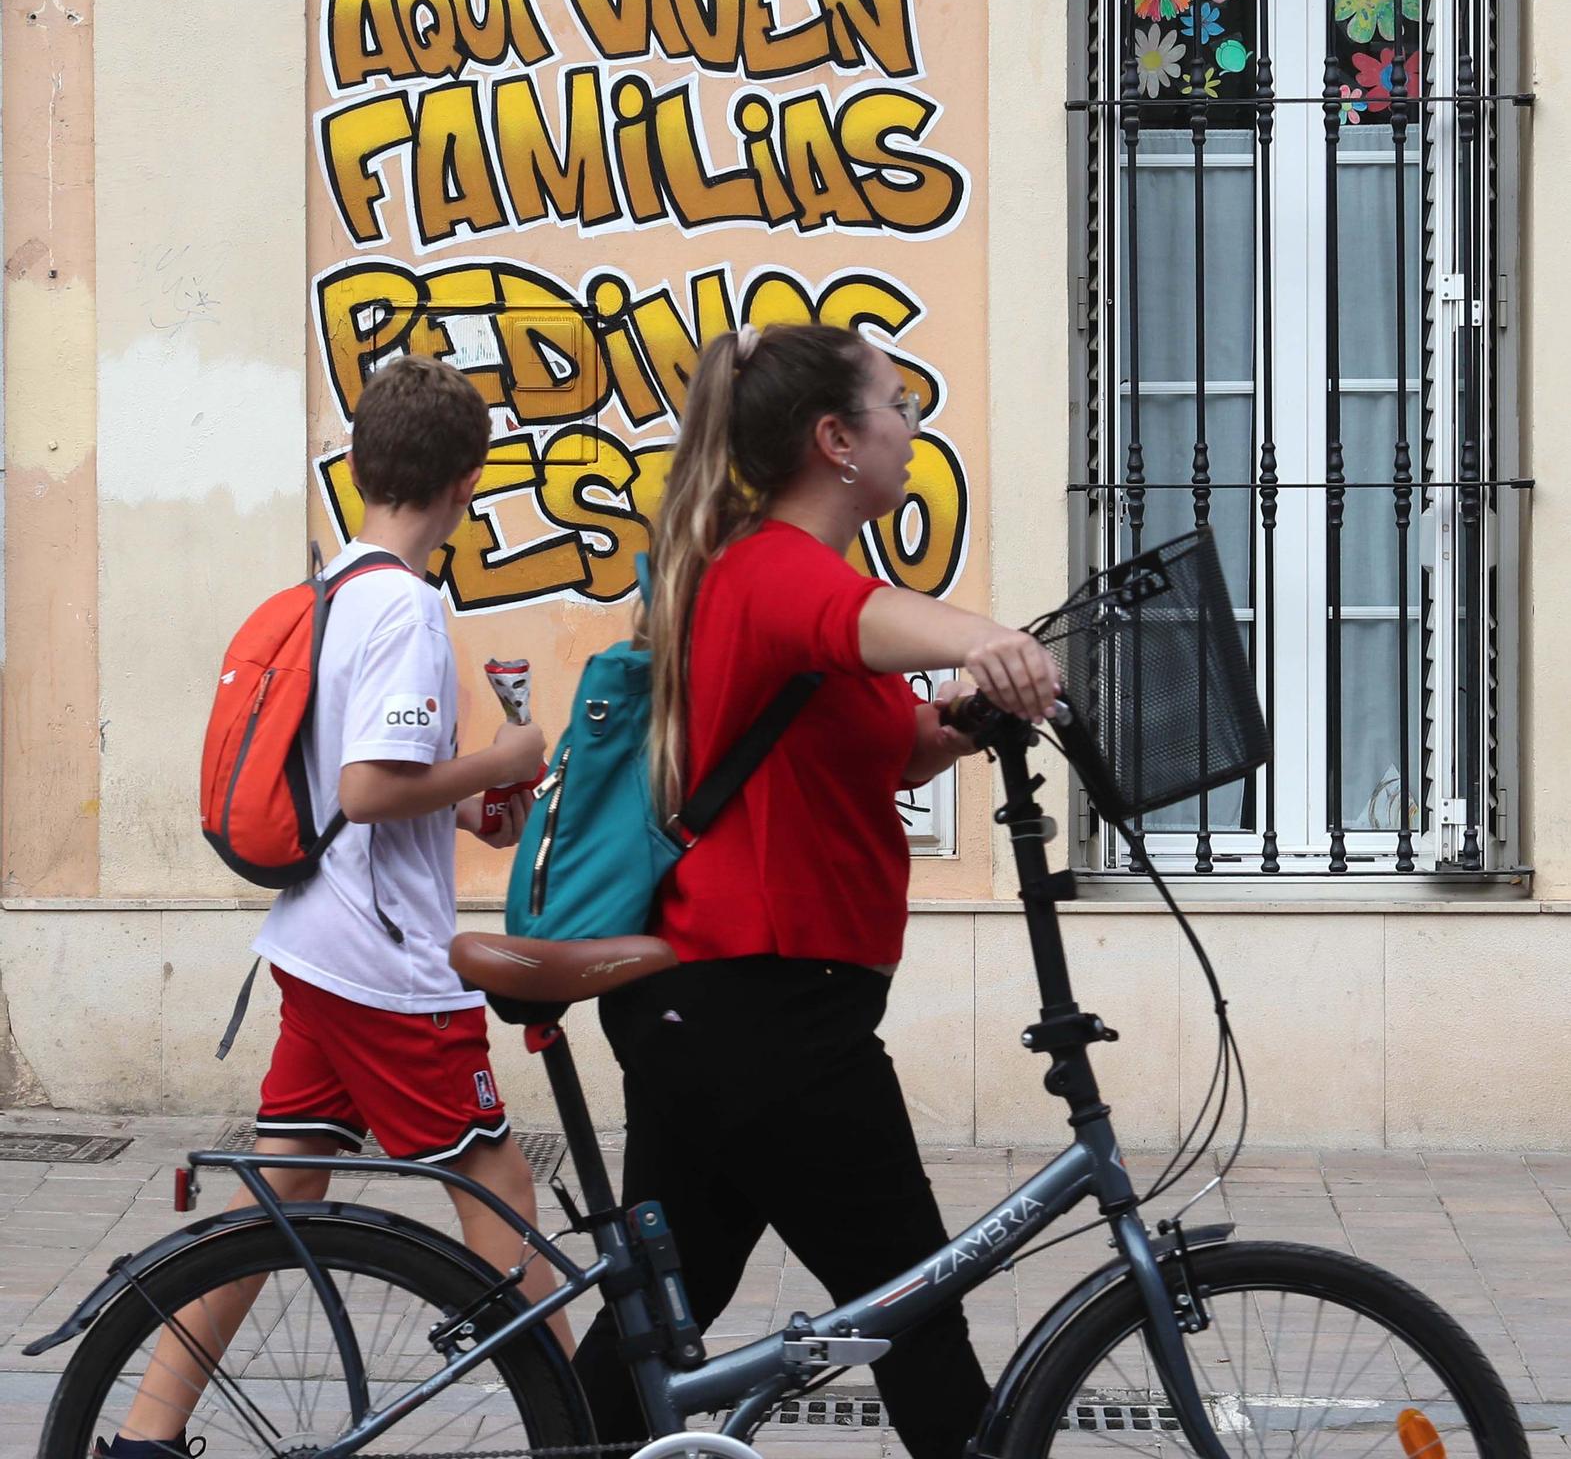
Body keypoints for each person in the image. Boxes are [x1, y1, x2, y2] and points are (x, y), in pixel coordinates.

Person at [572, 323, 1061, 1459]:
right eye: (898, 406)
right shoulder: (776, 570)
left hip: (725, 1005)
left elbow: (880, 741)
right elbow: (866, 625)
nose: (911, 426)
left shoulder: (780, 577)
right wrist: (988, 638)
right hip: (766, 1011)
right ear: (835, 439)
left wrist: (955, 723)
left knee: (657, 1337)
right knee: (912, 1314)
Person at [105, 354, 566, 1459]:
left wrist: (470, 807)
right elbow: (366, 789)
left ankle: (143, 1436)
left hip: (315, 946)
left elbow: (356, 781)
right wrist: (506, 753)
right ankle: (578, 1419)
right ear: (466, 483)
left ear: (362, 466)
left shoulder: (333, 593)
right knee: (498, 1187)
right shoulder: (405, 608)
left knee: (275, 1197)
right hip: (389, 965)